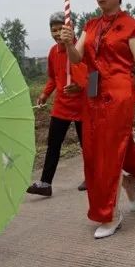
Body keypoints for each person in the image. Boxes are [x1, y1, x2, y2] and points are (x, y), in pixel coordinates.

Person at [59, 0, 135, 239]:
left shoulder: (132, 25)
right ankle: (129, 179)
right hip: (93, 93)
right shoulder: (90, 25)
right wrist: (69, 42)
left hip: (119, 93)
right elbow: (77, 58)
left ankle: (110, 213)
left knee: (108, 151)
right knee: (95, 151)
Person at [27, 12, 87, 197]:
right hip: (61, 106)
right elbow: (53, 78)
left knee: (87, 145)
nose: (57, 33)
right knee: (53, 144)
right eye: (53, 30)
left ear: (71, 29)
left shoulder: (82, 47)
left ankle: (92, 177)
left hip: (83, 105)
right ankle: (45, 183)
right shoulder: (53, 52)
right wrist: (45, 94)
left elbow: (93, 77)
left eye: (61, 29)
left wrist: (80, 87)